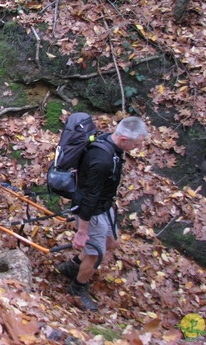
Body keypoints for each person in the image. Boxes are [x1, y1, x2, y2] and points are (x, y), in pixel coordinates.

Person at [56, 116, 148, 311]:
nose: (137, 148)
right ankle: (77, 289)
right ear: (123, 139)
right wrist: (82, 231)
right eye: (135, 144)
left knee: (112, 242)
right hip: (92, 210)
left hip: (104, 205)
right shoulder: (102, 160)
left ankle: (72, 267)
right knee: (95, 254)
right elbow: (89, 197)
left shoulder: (110, 144)